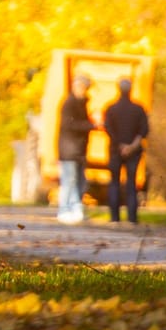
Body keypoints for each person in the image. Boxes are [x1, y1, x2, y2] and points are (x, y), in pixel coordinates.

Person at [102, 77, 150, 224]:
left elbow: (108, 129)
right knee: (131, 184)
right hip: (134, 152)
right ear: (131, 90)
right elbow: (144, 131)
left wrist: (120, 145)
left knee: (114, 183)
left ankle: (114, 218)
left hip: (115, 151)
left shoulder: (111, 108)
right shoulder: (138, 109)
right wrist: (131, 146)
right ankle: (132, 218)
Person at [57, 72, 95, 224]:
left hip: (78, 149)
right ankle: (64, 209)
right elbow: (69, 125)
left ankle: (76, 209)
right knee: (69, 180)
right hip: (69, 149)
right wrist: (90, 125)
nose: (84, 91)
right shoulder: (70, 103)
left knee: (80, 181)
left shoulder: (81, 103)